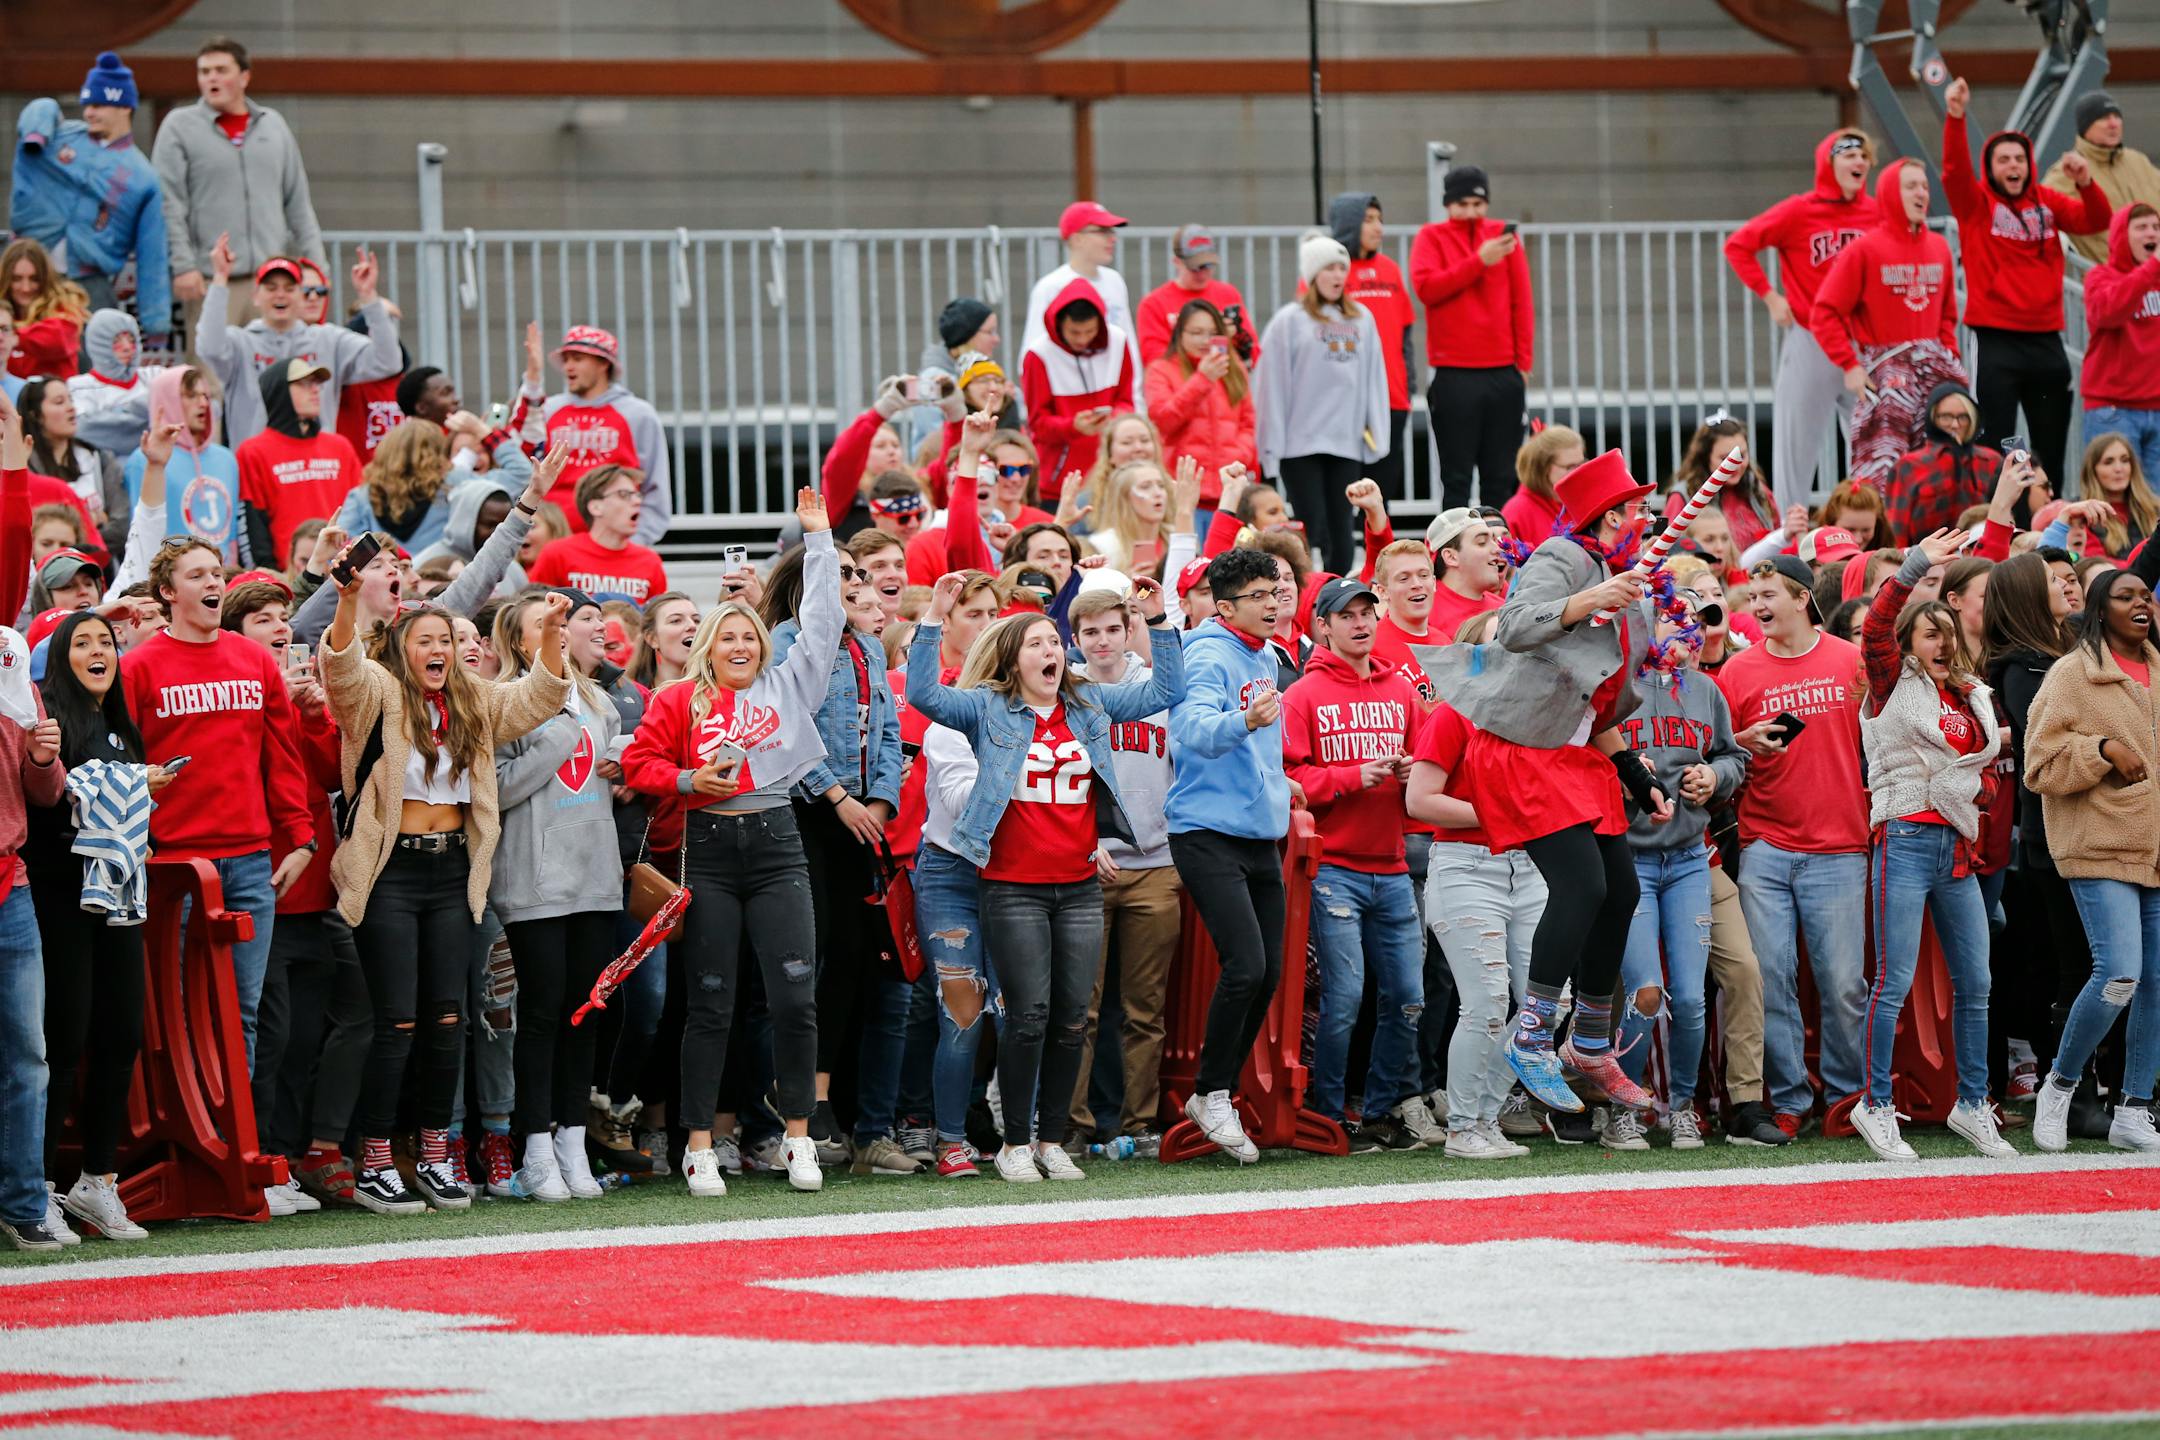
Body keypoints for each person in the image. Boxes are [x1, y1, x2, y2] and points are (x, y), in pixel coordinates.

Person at [908, 567, 1183, 1182]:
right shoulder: (987, 709)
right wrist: (931, 619)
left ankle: (1052, 1140)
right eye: (1036, 644)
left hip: (1080, 885)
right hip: (1013, 887)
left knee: (1068, 1018)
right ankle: (1014, 1142)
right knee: (1026, 1015)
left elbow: (1166, 690)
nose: (1051, 651)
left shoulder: (1086, 702)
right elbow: (925, 696)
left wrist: (1158, 623)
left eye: (1055, 643)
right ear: (1012, 659)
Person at [1422, 449, 1671, 1120]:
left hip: (1576, 753)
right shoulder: (1564, 557)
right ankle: (1531, 1036)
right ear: (1611, 515)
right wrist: (1590, 598)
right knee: (1583, 886)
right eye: (1637, 508)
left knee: (1619, 890)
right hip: (1522, 751)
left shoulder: (1625, 573)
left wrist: (1631, 770)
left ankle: (1588, 1042)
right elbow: (1517, 626)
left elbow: (1594, 699)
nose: (1645, 519)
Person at [322, 550, 572, 1214]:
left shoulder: (475, 700)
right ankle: (376, 1156)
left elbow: (541, 697)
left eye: (446, 641)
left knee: (447, 1020)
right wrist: (347, 601)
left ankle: (435, 1153)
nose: (439, 649)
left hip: (453, 874)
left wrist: (548, 634)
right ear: (402, 650)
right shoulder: (378, 690)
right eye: (425, 640)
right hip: (389, 874)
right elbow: (340, 669)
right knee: (396, 1021)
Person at [620, 488, 841, 1199]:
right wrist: (688, 779)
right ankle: (698, 1147)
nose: (740, 645)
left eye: (749, 636)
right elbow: (637, 767)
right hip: (708, 851)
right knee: (710, 1004)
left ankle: (798, 1140)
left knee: (795, 1000)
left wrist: (821, 541)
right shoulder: (677, 699)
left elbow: (824, 618)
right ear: (709, 644)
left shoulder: (788, 686)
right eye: (728, 636)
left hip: (778, 847)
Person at [121, 538, 314, 1071]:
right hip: (172, 866)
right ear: (166, 592)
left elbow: (282, 759)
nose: (212, 583)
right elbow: (120, 767)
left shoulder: (253, 659)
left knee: (240, 1010)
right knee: (178, 1012)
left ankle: (235, 1142)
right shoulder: (137, 668)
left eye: (216, 573)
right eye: (197, 575)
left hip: (251, 863)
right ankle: (189, 1141)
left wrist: (301, 840)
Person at [1851, 528, 2012, 1160]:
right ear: (1909, 645)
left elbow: (1976, 774)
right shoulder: (1893, 682)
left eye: (1950, 629)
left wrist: (1981, 793)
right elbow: (1875, 628)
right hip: (1905, 836)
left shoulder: (1971, 696)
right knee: (1892, 982)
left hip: (1956, 849)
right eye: (1930, 631)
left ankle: (1973, 1105)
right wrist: (1918, 565)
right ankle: (1875, 1103)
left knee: (1976, 981)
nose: (1944, 639)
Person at [765, 538, 906, 1172]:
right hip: (802, 815)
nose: (857, 582)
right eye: (843, 573)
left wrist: (878, 800)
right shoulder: (784, 642)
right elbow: (787, 727)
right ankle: (788, 1097)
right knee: (809, 959)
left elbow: (888, 733)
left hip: (860, 822)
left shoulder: (872, 646)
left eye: (861, 574)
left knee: (850, 959)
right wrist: (836, 796)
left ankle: (822, 1100)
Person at [23, 610, 162, 1242]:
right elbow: (51, 807)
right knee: (64, 1042)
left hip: (119, 905)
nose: (98, 651)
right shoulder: (45, 722)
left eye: (105, 642)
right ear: (58, 659)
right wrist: (134, 786)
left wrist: (141, 826)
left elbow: (127, 813)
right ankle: (39, 1188)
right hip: (61, 903)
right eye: (81, 643)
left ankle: (97, 1182)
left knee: (121, 1033)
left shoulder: (118, 724)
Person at [1719, 554, 1870, 1134]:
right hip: (1765, 845)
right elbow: (1721, 755)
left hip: (1839, 845)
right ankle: (1788, 1098)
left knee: (1842, 984)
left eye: (1768, 596)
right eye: (1752, 598)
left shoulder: (1850, 661)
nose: (1757, 607)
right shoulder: (1737, 672)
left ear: (1804, 598)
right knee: (1772, 979)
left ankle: (1846, 1097)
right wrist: (1740, 740)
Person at [1281, 576, 1433, 1149]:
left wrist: (1408, 770)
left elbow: (1429, 764)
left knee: (1408, 998)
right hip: (1334, 868)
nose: (1361, 622)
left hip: (1393, 865)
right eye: (1347, 615)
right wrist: (1351, 778)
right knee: (1344, 998)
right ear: (1322, 626)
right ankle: (1324, 1113)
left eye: (1368, 611)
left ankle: (1377, 1108)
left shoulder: (1401, 690)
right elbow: (1288, 779)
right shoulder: (1302, 694)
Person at [487, 592, 626, 1202]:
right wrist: (554, 741)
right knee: (541, 1016)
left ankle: (573, 1144)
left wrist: (623, 764)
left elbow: (615, 756)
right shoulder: (502, 703)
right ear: (524, 643)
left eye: (564, 623)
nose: (563, 632)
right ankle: (535, 1149)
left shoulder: (597, 699)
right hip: (534, 880)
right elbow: (499, 790)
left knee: (583, 1012)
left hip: (595, 879)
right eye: (547, 626)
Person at [2023, 565, 2160, 1155]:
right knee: (2119, 973)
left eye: (2145, 596)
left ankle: (2134, 1107)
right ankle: (2060, 1086)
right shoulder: (2072, 675)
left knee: (2156, 981)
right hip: (2098, 842)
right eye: (2125, 596)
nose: (2141, 604)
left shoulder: (2159, 670)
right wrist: (2101, 750)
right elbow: (2038, 763)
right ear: (2100, 610)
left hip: (2156, 846)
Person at [1606, 594, 1749, 1150]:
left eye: (1694, 619)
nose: (1688, 629)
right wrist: (1623, 779)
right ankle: (1625, 1106)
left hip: (1690, 857)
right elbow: (1581, 762)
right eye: (1674, 616)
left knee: (1690, 998)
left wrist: (1715, 777)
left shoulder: (1705, 689)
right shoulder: (1617, 688)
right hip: (1630, 857)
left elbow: (1734, 757)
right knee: (1646, 991)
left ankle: (1681, 1105)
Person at [1168, 547, 1294, 1162]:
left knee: (1267, 972)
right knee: (1245, 965)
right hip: (1204, 830)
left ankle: (1213, 1092)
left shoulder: (1267, 652)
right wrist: (1242, 722)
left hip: (1257, 831)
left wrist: (1281, 778)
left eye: (1276, 593)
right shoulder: (1206, 651)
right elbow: (1189, 729)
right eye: (1259, 597)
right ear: (1224, 607)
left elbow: (1266, 741)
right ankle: (1212, 1092)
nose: (1273, 604)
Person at [1940, 77, 2111, 484]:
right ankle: (1999, 526)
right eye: (2003, 160)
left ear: (2029, 164)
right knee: (1996, 443)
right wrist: (1955, 116)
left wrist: (2085, 181)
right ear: (1991, 167)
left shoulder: (2047, 201)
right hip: (1996, 340)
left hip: (2045, 339)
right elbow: (1952, 171)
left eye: (2019, 159)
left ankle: (2047, 525)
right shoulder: (1977, 203)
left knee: (2049, 446)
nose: (2013, 166)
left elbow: (2097, 220)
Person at [1063, 587, 1179, 1156]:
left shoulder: (1155, 691)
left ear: (1130, 628)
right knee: (1079, 1007)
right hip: (1085, 865)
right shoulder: (1064, 692)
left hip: (1156, 864)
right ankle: (1074, 1124)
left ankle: (1140, 1123)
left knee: (1145, 1008)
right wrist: (1083, 841)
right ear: (1076, 640)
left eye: (1113, 628)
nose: (1103, 640)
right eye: (1091, 633)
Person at [1725, 130, 1877, 509]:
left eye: (1864, 156)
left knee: (1875, 443)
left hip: (1863, 344)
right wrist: (1771, 296)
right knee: (1795, 446)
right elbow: (1738, 245)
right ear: (1829, 163)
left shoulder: (1878, 212)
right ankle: (1788, 533)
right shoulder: (1799, 210)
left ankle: (1875, 531)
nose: (1859, 162)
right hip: (1811, 338)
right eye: (1849, 155)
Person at [1810, 158, 1965, 489]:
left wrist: (1950, 354)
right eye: (1911, 186)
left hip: (1934, 372)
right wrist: (1849, 365)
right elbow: (1824, 311)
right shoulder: (1863, 250)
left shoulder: (1940, 247)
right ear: (1891, 194)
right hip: (1885, 372)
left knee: (1943, 463)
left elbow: (1948, 314)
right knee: (1882, 468)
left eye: (1924, 186)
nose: (1921, 193)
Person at [152, 37, 325, 328]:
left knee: (276, 369)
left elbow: (298, 203)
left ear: (244, 76)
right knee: (211, 370)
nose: (212, 78)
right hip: (213, 280)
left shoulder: (274, 125)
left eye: (221, 70)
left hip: (273, 281)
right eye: (204, 72)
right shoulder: (179, 127)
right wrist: (182, 265)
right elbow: (168, 203)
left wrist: (316, 268)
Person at [9, 54, 169, 348]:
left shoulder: (143, 176)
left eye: (97, 105)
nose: (89, 113)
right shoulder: (60, 136)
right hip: (30, 276)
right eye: (87, 105)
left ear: (123, 106)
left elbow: (153, 254)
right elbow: (39, 112)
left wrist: (156, 322)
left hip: (89, 285)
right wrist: (37, 124)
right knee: (17, 355)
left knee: (87, 366)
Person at [1254, 234, 1389, 575]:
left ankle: (1335, 589)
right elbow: (1272, 385)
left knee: (1342, 524)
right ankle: (1302, 588)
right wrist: (1270, 447)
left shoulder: (1362, 319)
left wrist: (1377, 434)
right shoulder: (1290, 321)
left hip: (1345, 439)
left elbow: (1374, 377)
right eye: (1329, 267)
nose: (1337, 275)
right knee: (1309, 524)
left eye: (1342, 268)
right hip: (1300, 443)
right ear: (1313, 274)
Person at [0, 624, 68, 1252]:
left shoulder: (10, 657)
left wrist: (43, 757)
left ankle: (23, 1204)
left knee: (28, 1056)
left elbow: (46, 792)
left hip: (9, 881)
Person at [1410, 166, 1533, 511]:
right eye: (1461, 203)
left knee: (1502, 477)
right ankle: (1453, 555)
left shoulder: (1503, 238)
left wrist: (1522, 364)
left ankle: (1501, 555)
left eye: (1478, 203)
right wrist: (1478, 261)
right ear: (1448, 204)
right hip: (1454, 371)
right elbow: (1427, 289)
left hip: (1502, 372)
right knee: (1457, 477)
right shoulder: (1431, 236)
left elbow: (1521, 303)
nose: (1470, 212)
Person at [195, 245, 398, 447]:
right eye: (271, 288)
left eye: (290, 288)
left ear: (302, 295)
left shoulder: (328, 339)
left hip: (316, 468)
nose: (280, 295)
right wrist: (220, 280)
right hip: (258, 468)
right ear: (256, 296)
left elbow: (387, 361)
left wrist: (369, 298)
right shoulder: (240, 343)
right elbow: (208, 347)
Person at [538, 325, 672, 544]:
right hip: (551, 545)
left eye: (578, 359)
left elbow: (654, 486)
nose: (568, 367)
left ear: (603, 363)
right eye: (566, 359)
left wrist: (633, 543)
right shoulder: (547, 411)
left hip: (613, 547)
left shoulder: (638, 415)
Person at [1326, 193, 1417, 504]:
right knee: (1340, 490)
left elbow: (1405, 333)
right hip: (1342, 400)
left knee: (1383, 488)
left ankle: (1378, 550)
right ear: (1349, 224)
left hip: (1390, 396)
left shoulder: (1390, 269)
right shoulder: (1327, 272)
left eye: (1380, 219)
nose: (1378, 227)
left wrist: (1408, 385)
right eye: (1368, 220)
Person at [236, 359, 364, 572]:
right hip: (288, 575)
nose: (315, 391)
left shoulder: (340, 446)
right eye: (304, 384)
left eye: (316, 384)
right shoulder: (253, 451)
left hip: (343, 571)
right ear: (279, 392)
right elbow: (252, 526)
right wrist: (269, 575)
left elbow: (361, 512)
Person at [1020, 278, 1135, 506]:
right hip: (1058, 486)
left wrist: (1117, 417)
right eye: (1074, 332)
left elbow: (1126, 399)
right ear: (1058, 323)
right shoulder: (1038, 355)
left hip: (1110, 477)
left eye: (1089, 331)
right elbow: (1037, 423)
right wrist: (1073, 427)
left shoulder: (1118, 341)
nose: (1082, 339)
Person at [1144, 299, 1256, 525]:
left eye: (1213, 332)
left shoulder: (1234, 369)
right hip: (1183, 497)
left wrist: (1238, 454)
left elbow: (1248, 423)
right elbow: (1163, 421)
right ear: (1180, 334)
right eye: (1196, 332)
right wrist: (1202, 380)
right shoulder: (1161, 370)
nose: (1205, 340)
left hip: (1228, 496)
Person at [124, 367, 238, 563]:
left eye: (205, 396)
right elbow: (143, 532)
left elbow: (232, 536)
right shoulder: (144, 460)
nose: (203, 404)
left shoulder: (227, 459)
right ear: (167, 401)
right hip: (172, 579)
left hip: (222, 578)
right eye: (191, 396)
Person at [2082, 205, 2160, 484]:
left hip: (2157, 406)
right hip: (2113, 412)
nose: (2151, 233)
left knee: (2155, 509)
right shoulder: (2101, 277)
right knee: (2113, 507)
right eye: (2141, 227)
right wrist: (2152, 268)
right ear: (2120, 236)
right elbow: (2108, 312)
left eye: (2155, 227)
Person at [1021, 201, 1137, 375]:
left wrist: (1134, 396)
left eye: (1111, 231)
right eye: (1102, 231)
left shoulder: (1114, 281)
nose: (1112, 238)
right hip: (1070, 392)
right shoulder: (1051, 287)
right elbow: (1032, 351)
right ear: (1077, 238)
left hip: (1112, 390)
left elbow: (1128, 342)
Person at [524, 463, 669, 603]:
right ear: (595, 507)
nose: (637, 501)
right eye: (624, 494)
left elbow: (655, 623)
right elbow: (533, 612)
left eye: (638, 495)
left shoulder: (650, 561)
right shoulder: (557, 554)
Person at [2045, 91, 2160, 266]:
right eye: (2104, 118)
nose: (2113, 124)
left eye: (2116, 116)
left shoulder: (2139, 161)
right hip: (2109, 285)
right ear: (2086, 126)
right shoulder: (2065, 173)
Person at [18, 378, 126, 557]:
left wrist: (75, 538)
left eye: (71, 400)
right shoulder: (23, 468)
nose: (71, 408)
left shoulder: (98, 459)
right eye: (59, 402)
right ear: (34, 414)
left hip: (97, 570)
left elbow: (121, 528)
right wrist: (88, 524)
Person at [1884, 383, 2003, 545]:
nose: (1955, 425)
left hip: (1981, 559)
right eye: (1946, 416)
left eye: (1963, 417)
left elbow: (2006, 516)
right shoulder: (1908, 466)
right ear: (1933, 418)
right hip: (1926, 563)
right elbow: (1896, 530)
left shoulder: (1991, 461)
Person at [1135, 224, 1254, 363]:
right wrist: (1202, 366)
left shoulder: (1228, 294)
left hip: (1224, 379)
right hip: (1180, 382)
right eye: (1195, 267)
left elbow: (1253, 350)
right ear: (1177, 262)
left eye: (1208, 266)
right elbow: (1154, 359)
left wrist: (1237, 337)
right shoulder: (1154, 303)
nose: (1202, 273)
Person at [2, 238, 91, 381]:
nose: (25, 288)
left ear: (45, 279)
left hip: (51, 399)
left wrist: (16, 338)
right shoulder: (3, 313)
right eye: (17, 279)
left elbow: (58, 338)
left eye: (34, 279)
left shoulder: (65, 308)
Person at [2077, 432, 2160, 558]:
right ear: (2092, 471)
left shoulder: (2155, 509)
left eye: (2125, 460)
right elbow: (2095, 566)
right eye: (2108, 462)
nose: (2118, 468)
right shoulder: (2083, 515)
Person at [1503, 425, 1583, 544]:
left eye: (1580, 464)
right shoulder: (1517, 512)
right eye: (1569, 467)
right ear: (1544, 467)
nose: (1578, 472)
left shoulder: (1584, 503)